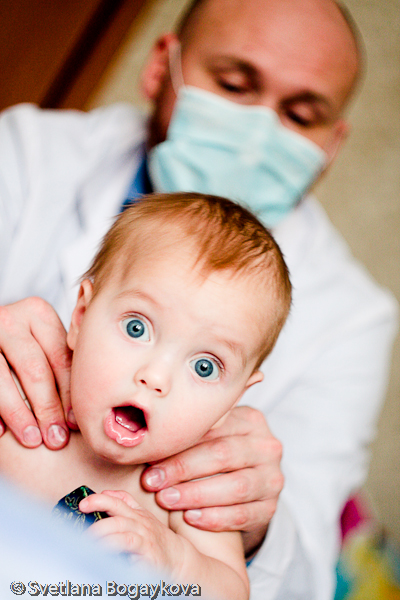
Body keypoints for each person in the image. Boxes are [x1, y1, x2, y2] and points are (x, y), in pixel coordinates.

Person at [0, 0, 397, 598]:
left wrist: (230, 534)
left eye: (300, 114)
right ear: (162, 66)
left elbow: (301, 575)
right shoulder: (28, 153)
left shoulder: (355, 317)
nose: (259, 134)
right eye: (234, 85)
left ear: (332, 143)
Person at [0, 192, 292, 600]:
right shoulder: (21, 411)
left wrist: (177, 561)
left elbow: (231, 592)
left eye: (204, 367)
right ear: (80, 317)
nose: (155, 377)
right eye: (136, 328)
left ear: (233, 401)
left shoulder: (184, 496)